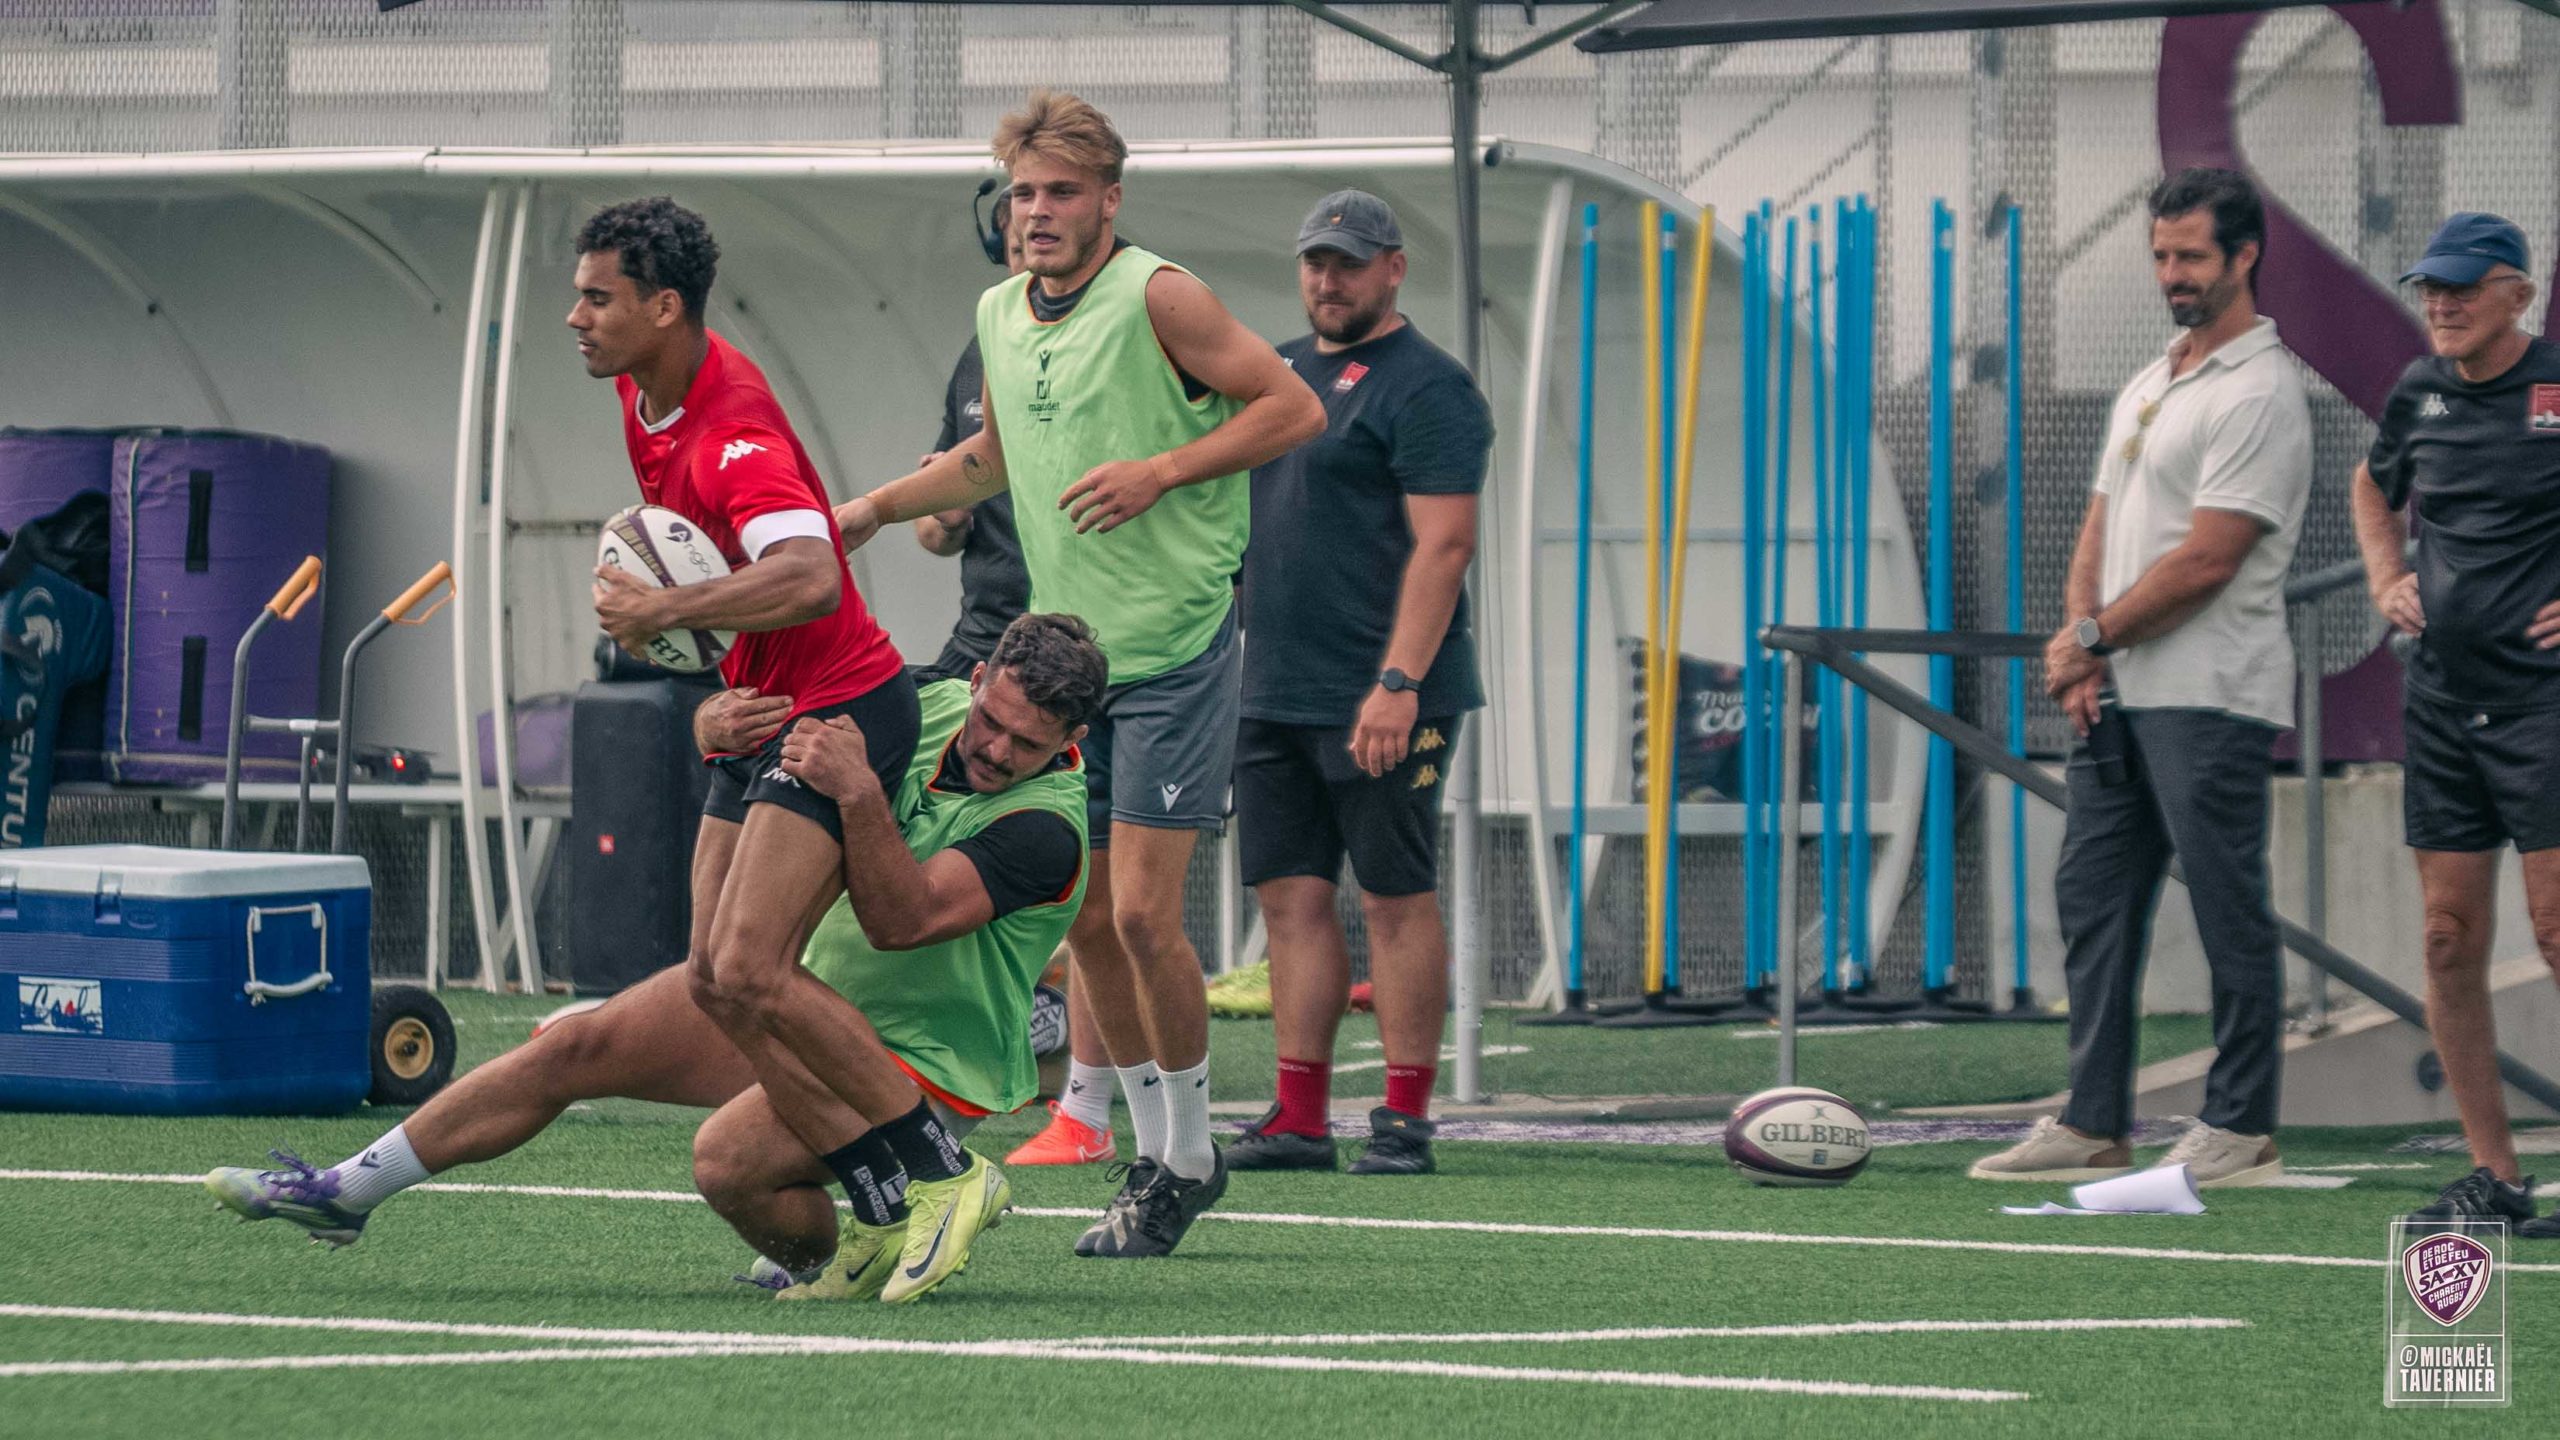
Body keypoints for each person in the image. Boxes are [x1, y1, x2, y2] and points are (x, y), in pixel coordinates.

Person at [205, 616, 1105, 1302]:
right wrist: (717, 731)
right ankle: (347, 1190)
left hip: (921, 1064)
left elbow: (899, 920)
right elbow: (761, 754)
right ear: (979, 677)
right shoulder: (914, 700)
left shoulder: (1047, 829)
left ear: (1068, 741)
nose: (996, 749)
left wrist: (861, 792)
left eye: (1026, 743)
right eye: (993, 719)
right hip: (789, 993)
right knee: (574, 1049)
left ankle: (871, 1228)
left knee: (727, 1163)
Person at [835, 90, 1325, 1257]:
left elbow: (1290, 405)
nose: (1037, 213)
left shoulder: (1160, 293)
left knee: (1148, 914)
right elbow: (990, 460)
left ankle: (1187, 1154)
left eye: (1061, 192)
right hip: (1069, 667)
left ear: (1110, 198)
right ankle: (1161, 1159)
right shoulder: (1000, 311)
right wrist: (865, 508)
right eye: (1023, 193)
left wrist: (1163, 469)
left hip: (1170, 651)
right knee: (1090, 918)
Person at [1972, 167, 2310, 1189]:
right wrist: (2084, 646)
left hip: (2211, 693)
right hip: (2122, 692)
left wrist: (2091, 639)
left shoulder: (2261, 390)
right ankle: (2090, 1122)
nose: (2170, 274)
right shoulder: (2154, 376)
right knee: (2092, 901)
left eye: (2190, 257)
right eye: (2160, 255)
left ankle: (2241, 1126)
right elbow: (2103, 521)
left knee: (2223, 907)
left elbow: (2208, 560)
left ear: (2243, 257)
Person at [1223, 191, 1490, 1177]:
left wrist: (1398, 681)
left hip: (1384, 692)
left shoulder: (1430, 388)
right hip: (1274, 685)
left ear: (1392, 268)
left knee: (1391, 897)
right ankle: (1298, 1118)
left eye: (1347, 262)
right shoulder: (1280, 374)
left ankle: (1406, 1119)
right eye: (1314, 263)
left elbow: (1445, 544)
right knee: (1289, 899)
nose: (1327, 281)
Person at [2351, 213, 2560, 1234]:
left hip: (2546, 705)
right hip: (2440, 703)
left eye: (2463, 287)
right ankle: (2496, 1177)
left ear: (2515, 294)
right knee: (2444, 939)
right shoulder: (2416, 391)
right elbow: (2369, 484)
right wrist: (2386, 572)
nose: (2440, 302)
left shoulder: (2556, 392)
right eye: (2431, 286)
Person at [914, 183, 1120, 1170]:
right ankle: (1003, 1046)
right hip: (979, 643)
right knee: (912, 835)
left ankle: (1083, 1103)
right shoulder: (983, 339)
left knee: (1090, 890)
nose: (1025, 237)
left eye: (1044, 212)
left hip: (1067, 646)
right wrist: (931, 514)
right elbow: (943, 503)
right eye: (1012, 223)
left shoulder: (1108, 336)